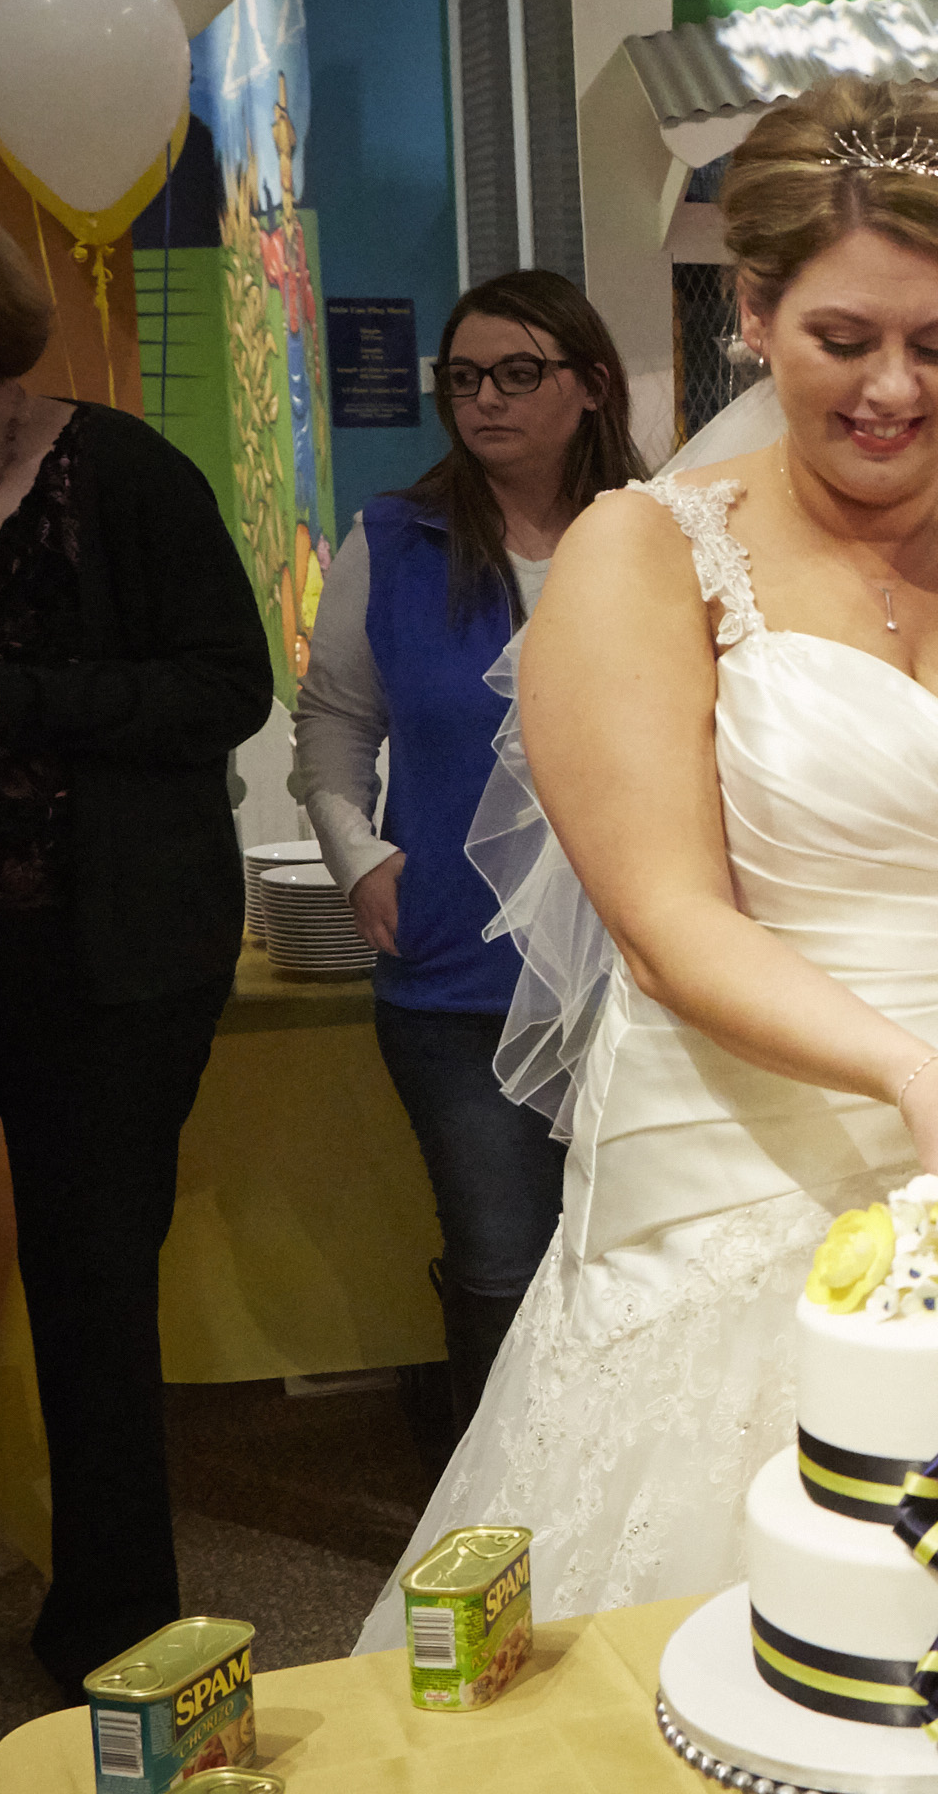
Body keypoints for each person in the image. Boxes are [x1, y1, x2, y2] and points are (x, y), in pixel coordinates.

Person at [353, 77, 938, 1649]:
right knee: (742, 1639)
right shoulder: (641, 551)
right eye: (844, 340)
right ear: (753, 313)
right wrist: (908, 1077)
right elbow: (671, 920)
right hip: (737, 1168)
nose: (894, 388)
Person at [0, 195, 274, 1684]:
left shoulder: (125, 475)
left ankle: (112, 1639)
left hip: (110, 964)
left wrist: (24, 700)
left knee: (90, 1293)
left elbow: (226, 691)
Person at [293, 270, 644, 1446]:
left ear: (590, 386)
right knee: (500, 1267)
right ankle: (496, 1531)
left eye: (518, 373)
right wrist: (355, 855)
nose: (484, 399)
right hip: (458, 980)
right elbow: (334, 718)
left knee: (643, 1259)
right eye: (464, 377)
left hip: (648, 971)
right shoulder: (397, 539)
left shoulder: (660, 533)